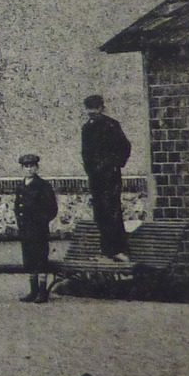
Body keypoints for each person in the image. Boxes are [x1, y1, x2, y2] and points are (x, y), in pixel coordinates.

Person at [81, 95, 132, 262]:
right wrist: (91, 170)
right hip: (96, 178)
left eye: (96, 108)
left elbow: (125, 146)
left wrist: (114, 165)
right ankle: (106, 249)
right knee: (100, 212)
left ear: (102, 108)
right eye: (90, 108)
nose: (93, 112)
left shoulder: (111, 125)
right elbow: (86, 154)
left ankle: (118, 249)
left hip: (110, 176)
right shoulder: (87, 128)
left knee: (112, 210)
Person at [15, 154, 60, 303]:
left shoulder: (43, 185)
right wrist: (20, 223)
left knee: (41, 259)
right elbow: (18, 207)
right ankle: (33, 291)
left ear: (37, 167)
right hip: (25, 229)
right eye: (26, 166)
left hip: (38, 229)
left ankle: (42, 291)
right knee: (29, 259)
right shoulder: (21, 185)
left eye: (32, 166)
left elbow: (52, 208)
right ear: (22, 168)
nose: (29, 169)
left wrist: (40, 221)